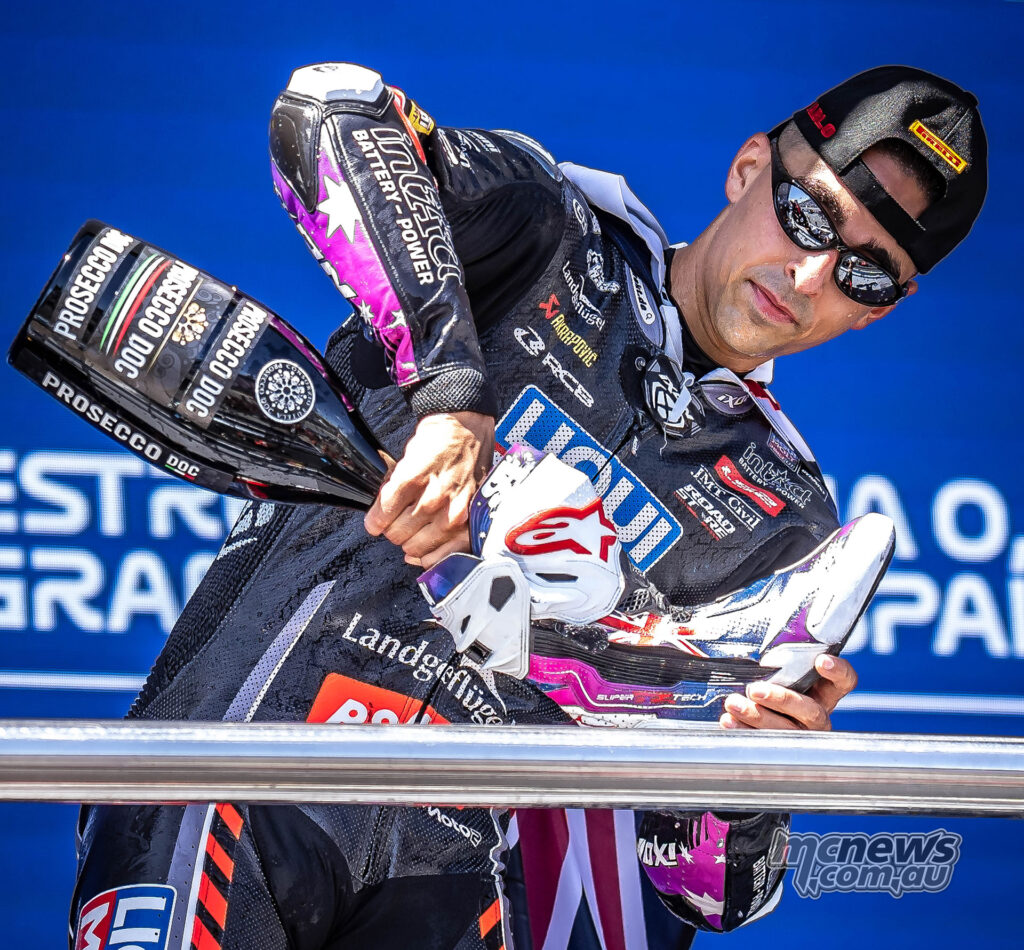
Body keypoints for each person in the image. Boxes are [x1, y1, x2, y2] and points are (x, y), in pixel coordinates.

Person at [69, 64, 986, 950]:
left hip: (458, 885)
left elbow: (715, 893)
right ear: (750, 168)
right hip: (239, 775)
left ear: (882, 311)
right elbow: (326, 106)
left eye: (866, 272)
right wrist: (450, 392)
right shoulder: (549, 229)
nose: (812, 273)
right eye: (806, 214)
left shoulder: (788, 526)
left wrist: (748, 777)